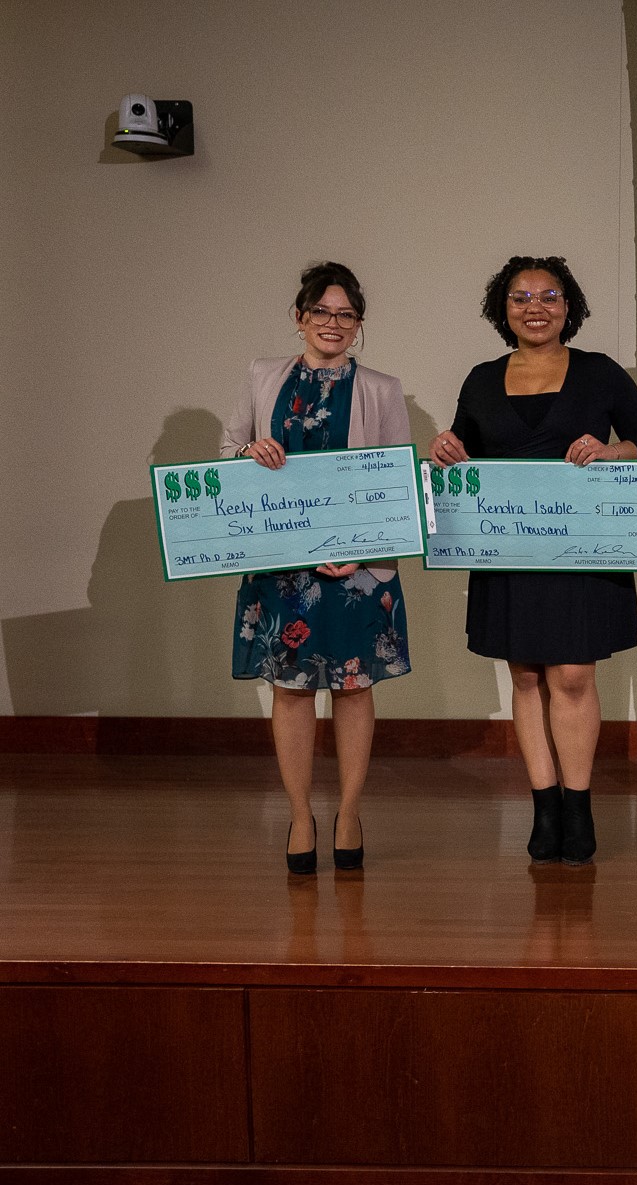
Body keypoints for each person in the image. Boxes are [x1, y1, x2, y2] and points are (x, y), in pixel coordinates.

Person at [428, 255, 637, 866]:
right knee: (526, 676)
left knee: (574, 676)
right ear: (502, 310)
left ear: (569, 306)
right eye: (521, 297)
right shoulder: (480, 378)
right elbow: (463, 449)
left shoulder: (601, 373)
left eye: (549, 296)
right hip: (508, 548)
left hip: (582, 548)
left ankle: (579, 808)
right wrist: (447, 449)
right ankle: (544, 805)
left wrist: (614, 452)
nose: (535, 307)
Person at [225, 261, 411, 874]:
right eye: (321, 312)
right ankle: (301, 815)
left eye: (346, 315)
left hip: (355, 571)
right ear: (299, 317)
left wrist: (361, 553)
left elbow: (395, 483)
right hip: (283, 567)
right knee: (290, 690)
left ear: (359, 325)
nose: (333, 324)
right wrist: (250, 451)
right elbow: (226, 455)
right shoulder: (260, 376)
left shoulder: (382, 389)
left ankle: (351, 812)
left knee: (354, 690)